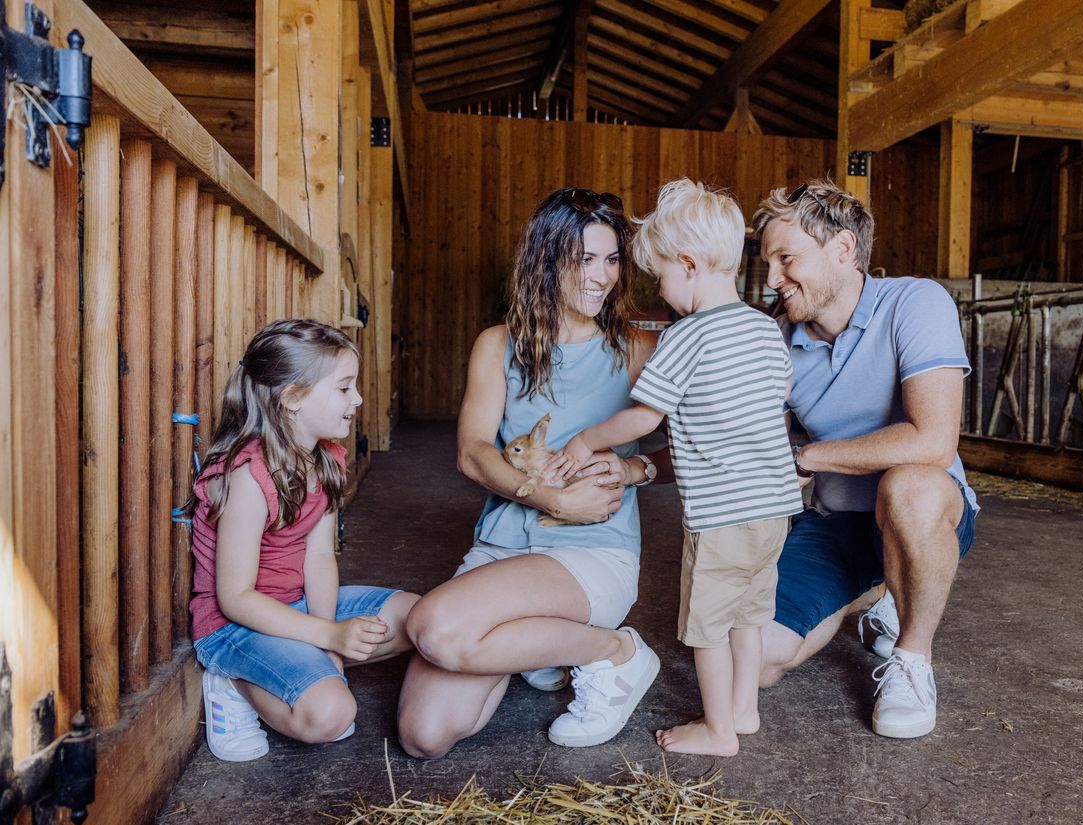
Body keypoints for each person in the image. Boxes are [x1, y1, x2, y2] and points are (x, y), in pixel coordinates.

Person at [397, 188, 668, 759]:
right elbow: (472, 452)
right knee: (425, 736)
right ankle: (544, 649)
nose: (602, 277)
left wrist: (634, 466)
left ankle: (615, 651)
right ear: (547, 261)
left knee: (439, 628)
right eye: (584, 260)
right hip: (502, 545)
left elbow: (697, 452)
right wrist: (549, 498)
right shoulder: (497, 346)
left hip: (594, 550)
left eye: (612, 259)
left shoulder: (641, 349)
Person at [551, 179, 802, 757]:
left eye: (661, 274)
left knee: (708, 627)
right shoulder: (766, 330)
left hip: (721, 516)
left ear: (688, 264)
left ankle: (717, 731)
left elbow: (644, 419)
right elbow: (779, 395)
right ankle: (744, 710)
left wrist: (588, 439)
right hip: (774, 511)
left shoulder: (688, 335)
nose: (660, 288)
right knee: (748, 614)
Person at [752, 179, 978, 739]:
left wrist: (813, 456)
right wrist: (638, 460)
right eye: (767, 263)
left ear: (844, 249)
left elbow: (933, 441)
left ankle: (912, 659)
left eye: (786, 259)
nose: (772, 279)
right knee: (756, 660)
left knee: (909, 488)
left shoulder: (915, 302)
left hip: (923, 512)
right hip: (836, 522)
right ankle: (879, 591)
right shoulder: (776, 339)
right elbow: (754, 440)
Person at [189, 319, 420, 762]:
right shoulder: (248, 477)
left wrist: (326, 635)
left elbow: (319, 559)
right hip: (233, 626)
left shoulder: (326, 457)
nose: (358, 399)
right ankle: (232, 684)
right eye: (344, 388)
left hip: (293, 608)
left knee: (423, 619)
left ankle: (302, 663)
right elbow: (235, 598)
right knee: (333, 715)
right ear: (292, 398)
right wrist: (329, 635)